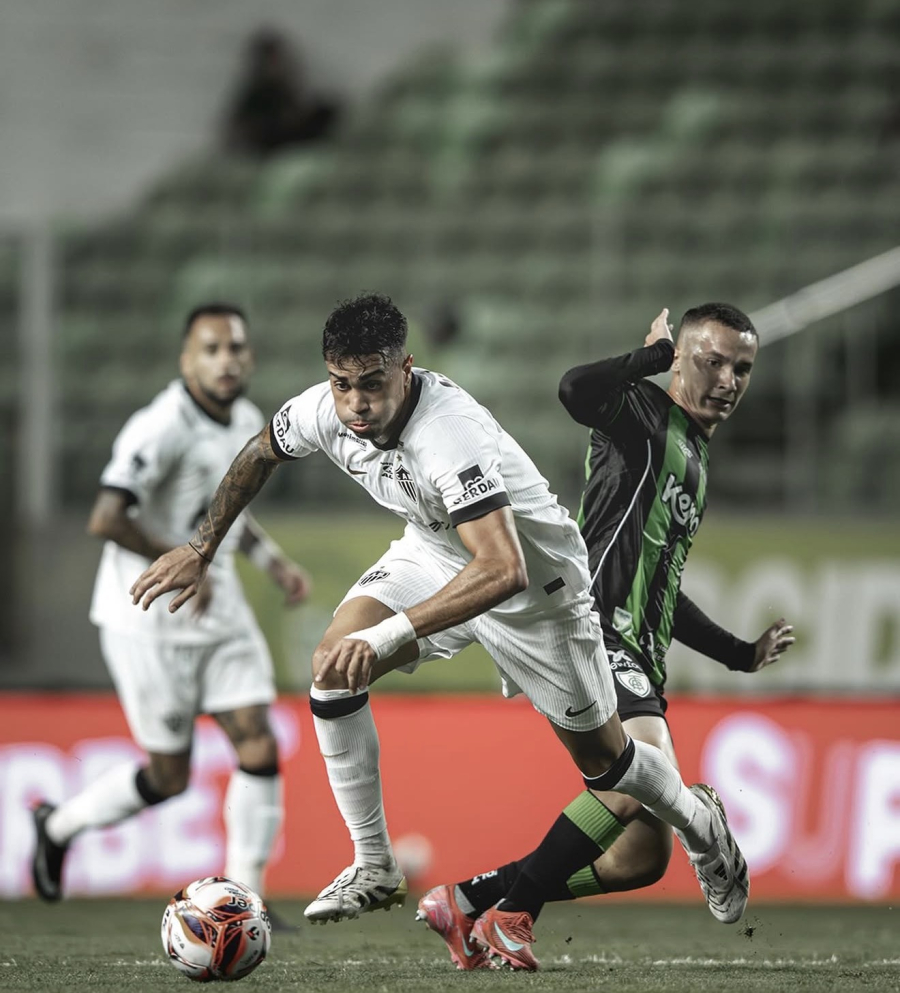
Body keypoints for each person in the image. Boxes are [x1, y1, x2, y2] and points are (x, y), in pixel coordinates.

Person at [130, 293, 750, 969]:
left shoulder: (448, 432)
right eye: (342, 384)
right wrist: (201, 546)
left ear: (406, 370)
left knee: (612, 769)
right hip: (434, 550)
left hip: (538, 590)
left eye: (372, 384)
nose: (356, 404)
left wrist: (390, 635)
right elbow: (260, 451)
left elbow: (503, 567)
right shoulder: (323, 409)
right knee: (331, 667)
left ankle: (697, 820)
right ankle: (375, 863)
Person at [417, 302, 795, 969]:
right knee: (631, 779)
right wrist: (649, 357)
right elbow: (575, 390)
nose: (729, 379)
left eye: (742, 368)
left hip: (638, 655)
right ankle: (515, 915)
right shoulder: (644, 418)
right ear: (681, 359)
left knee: (640, 857)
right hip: (599, 636)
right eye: (712, 361)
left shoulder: (695, 457)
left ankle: (469, 899)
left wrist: (740, 652)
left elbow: (664, 585)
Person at [31, 303, 310, 920]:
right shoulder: (158, 427)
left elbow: (227, 503)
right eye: (211, 349)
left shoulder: (246, 419)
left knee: (258, 743)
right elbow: (106, 518)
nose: (226, 360)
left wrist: (272, 562)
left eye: (235, 348)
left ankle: (245, 901)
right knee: (169, 776)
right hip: (149, 616)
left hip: (220, 608)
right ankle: (58, 827)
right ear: (186, 360)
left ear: (250, 357)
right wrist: (184, 557)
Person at [222, 27, 339, 157]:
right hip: (268, 140)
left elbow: (297, 108)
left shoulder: (285, 83)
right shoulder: (257, 91)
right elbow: (240, 125)